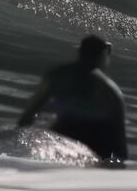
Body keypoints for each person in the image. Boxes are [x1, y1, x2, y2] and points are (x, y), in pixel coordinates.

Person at [15, 35, 128, 164]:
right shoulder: (110, 89)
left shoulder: (56, 75)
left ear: (79, 52)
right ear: (103, 55)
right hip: (94, 147)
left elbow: (27, 116)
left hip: (62, 136)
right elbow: (120, 144)